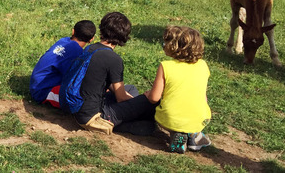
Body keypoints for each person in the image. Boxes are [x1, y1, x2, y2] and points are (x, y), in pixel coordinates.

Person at [60, 12, 156, 135]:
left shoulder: (91, 48)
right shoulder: (114, 59)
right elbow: (121, 98)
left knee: (131, 88)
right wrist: (138, 101)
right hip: (95, 115)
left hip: (79, 109)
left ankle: (129, 121)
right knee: (149, 102)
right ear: (124, 36)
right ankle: (116, 124)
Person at [145, 25, 212, 153]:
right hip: (199, 117)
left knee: (172, 116)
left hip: (169, 119)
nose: (163, 45)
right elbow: (203, 96)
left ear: (173, 47)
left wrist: (148, 94)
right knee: (195, 117)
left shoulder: (166, 66)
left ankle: (176, 134)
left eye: (165, 42)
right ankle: (194, 135)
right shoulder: (203, 65)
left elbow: (154, 98)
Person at [30, 20, 96, 107]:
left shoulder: (63, 41)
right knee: (84, 99)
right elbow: (74, 79)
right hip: (44, 92)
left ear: (73, 31)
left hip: (37, 84)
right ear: (91, 39)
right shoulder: (77, 53)